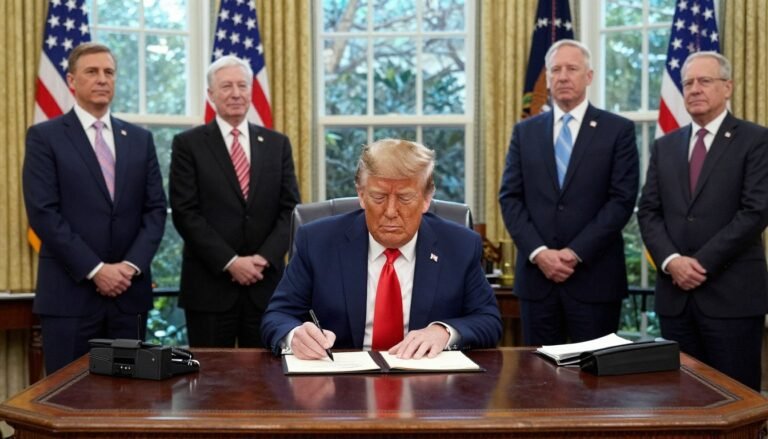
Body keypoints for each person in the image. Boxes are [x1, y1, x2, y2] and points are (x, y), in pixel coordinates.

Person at [261, 138, 502, 359]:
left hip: (428, 385)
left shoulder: (459, 245)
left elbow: (489, 321)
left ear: (427, 198)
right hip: (341, 384)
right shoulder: (317, 241)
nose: (390, 211)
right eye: (378, 197)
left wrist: (443, 332)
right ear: (361, 195)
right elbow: (277, 317)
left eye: (405, 198)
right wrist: (295, 336)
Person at [22, 43, 167, 374]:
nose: (102, 79)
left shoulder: (140, 139)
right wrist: (96, 270)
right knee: (68, 403)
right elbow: (44, 213)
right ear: (72, 81)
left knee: (128, 401)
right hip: (70, 296)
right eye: (92, 72)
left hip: (129, 297)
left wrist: (129, 267)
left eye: (109, 72)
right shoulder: (45, 137)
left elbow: (156, 210)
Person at [637, 51, 768, 391]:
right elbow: (648, 211)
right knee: (680, 400)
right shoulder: (665, 146)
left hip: (732, 298)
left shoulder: (756, 140)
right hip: (675, 300)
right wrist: (671, 261)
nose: (694, 89)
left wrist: (700, 264)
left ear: (728, 87)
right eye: (688, 83)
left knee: (736, 401)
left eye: (704, 81)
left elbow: (755, 211)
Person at [498, 39, 639, 346]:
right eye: (555, 70)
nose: (562, 76)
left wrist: (574, 254)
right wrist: (540, 253)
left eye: (571, 69)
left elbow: (622, 200)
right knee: (538, 381)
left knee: (596, 385)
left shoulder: (618, 130)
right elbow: (510, 197)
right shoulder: (525, 131)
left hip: (595, 280)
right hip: (537, 281)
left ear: (588, 76)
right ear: (547, 78)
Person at [170, 55, 300, 348]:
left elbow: (290, 208)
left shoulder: (277, 144)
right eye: (226, 86)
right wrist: (230, 262)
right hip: (209, 287)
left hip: (266, 286)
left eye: (242, 85)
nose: (236, 93)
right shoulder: (188, 145)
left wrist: (263, 259)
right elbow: (185, 212)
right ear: (210, 94)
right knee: (209, 385)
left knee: (269, 384)